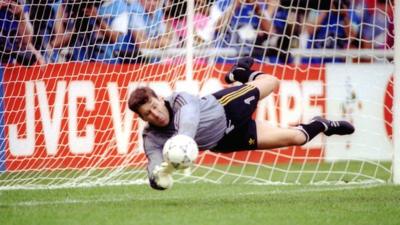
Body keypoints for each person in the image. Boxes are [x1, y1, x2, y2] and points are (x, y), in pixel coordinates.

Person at [128, 57, 355, 190]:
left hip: (227, 107)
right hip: (226, 140)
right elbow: (153, 165)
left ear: (160, 98)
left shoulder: (179, 99)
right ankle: (323, 124)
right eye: (148, 114)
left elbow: (189, 118)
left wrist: (182, 142)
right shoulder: (151, 138)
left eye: (155, 106)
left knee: (273, 82)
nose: (155, 114)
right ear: (143, 119)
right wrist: (159, 176)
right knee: (298, 138)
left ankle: (240, 73)